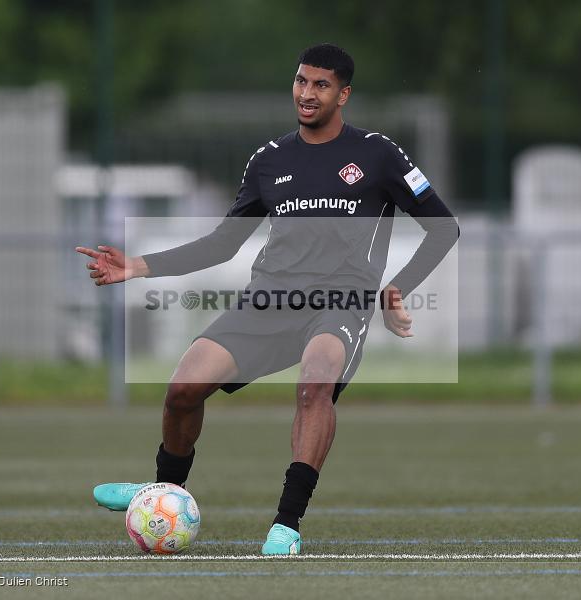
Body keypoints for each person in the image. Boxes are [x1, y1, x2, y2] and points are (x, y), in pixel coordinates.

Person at [76, 43, 458, 555]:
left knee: (314, 384)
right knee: (183, 389)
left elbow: (443, 227)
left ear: (343, 94)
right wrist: (139, 266)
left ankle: (287, 523)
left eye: (321, 85)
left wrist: (395, 290)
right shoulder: (269, 160)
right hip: (269, 299)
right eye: (301, 81)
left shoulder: (378, 153)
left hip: (340, 301)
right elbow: (223, 243)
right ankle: (164, 493)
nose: (307, 92)